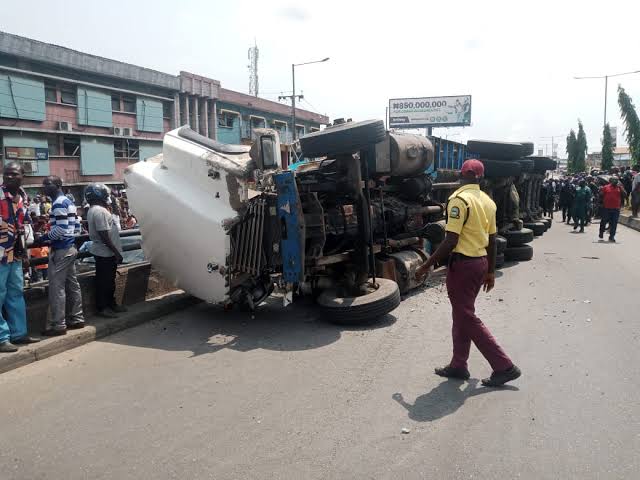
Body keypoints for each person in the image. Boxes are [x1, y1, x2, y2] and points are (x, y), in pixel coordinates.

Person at [416, 159, 520, 387]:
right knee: (461, 314)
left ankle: (504, 366)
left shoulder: (459, 200)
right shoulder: (488, 202)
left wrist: (426, 265)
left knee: (466, 317)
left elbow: (450, 240)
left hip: (463, 266)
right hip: (480, 262)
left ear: (461, 175)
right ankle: (458, 365)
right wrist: (491, 271)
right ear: (480, 178)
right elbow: (492, 240)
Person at [34, 176, 85, 335]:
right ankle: (77, 318)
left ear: (57, 185)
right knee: (72, 284)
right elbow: (76, 226)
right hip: (71, 247)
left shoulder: (57, 204)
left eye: (47, 184)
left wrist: (43, 238)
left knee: (57, 288)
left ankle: (59, 325)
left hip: (61, 249)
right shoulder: (69, 202)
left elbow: (61, 229)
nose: (44, 187)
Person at [0, 162, 40, 352]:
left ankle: (19, 333)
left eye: (14, 174)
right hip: (0, 254)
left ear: (22, 176)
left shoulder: (22, 197)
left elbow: (23, 226)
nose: (9, 177)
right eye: (6, 174)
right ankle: (2, 338)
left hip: (14, 254)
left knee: (15, 294)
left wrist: (24, 252)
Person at [85, 184, 127, 318]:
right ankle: (103, 307)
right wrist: (116, 252)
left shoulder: (95, 209)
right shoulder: (100, 211)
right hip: (105, 252)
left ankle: (111, 304)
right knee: (104, 282)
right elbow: (104, 234)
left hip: (105, 251)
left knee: (109, 281)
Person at [599, 177, 626, 242]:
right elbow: (601, 195)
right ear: (611, 181)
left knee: (614, 223)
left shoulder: (619, 188)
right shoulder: (605, 187)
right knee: (604, 221)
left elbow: (625, 195)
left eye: (617, 180)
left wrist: (622, 189)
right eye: (614, 180)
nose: (616, 181)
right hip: (606, 208)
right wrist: (600, 203)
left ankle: (611, 237)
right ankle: (601, 232)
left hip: (616, 209)